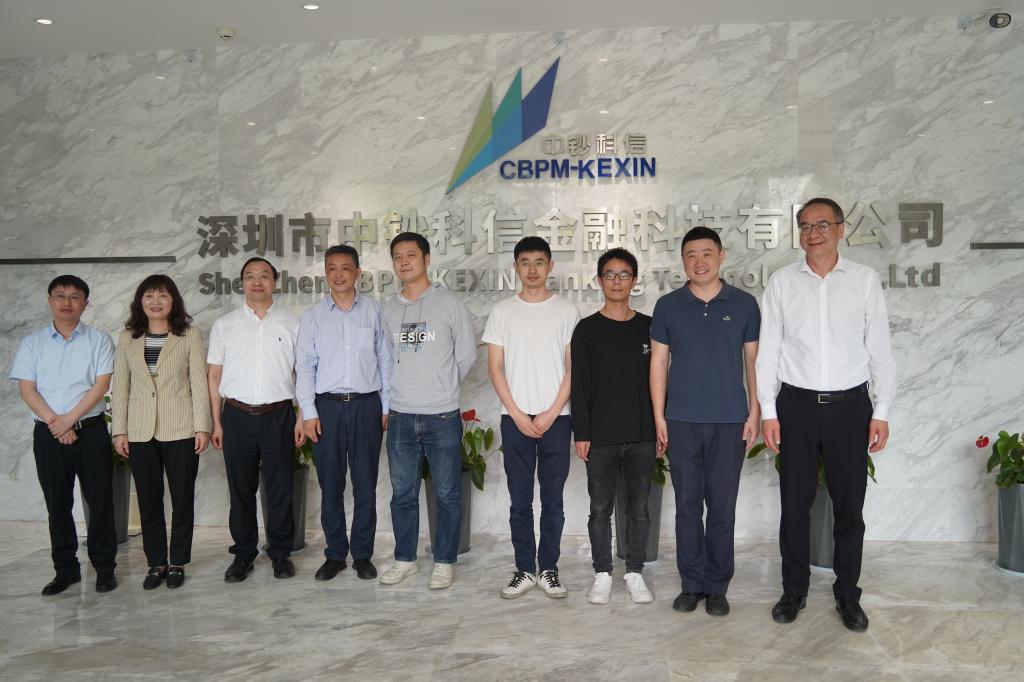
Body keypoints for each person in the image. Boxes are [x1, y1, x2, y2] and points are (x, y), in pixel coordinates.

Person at [756, 197, 895, 632]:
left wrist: (882, 410)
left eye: (821, 225)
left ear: (840, 229)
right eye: (804, 226)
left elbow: (880, 349)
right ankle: (793, 590)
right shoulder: (782, 282)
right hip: (795, 406)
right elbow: (769, 350)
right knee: (794, 506)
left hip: (850, 408)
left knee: (850, 508)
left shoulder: (863, 280)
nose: (812, 233)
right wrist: (768, 411)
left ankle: (848, 594)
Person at [650, 226, 761, 617]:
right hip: (681, 420)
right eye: (691, 255)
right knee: (686, 508)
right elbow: (658, 363)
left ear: (721, 256)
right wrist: (659, 415)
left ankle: (717, 586)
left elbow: (753, 362)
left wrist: (755, 410)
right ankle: (691, 583)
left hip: (730, 420)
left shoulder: (744, 304)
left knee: (722, 509)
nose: (699, 262)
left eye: (707, 253)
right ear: (683, 261)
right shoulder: (668, 306)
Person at [484, 236, 580, 599]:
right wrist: (518, 414)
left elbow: (573, 368)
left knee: (553, 500)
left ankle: (549, 569)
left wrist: (552, 412)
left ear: (550, 266)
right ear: (515, 267)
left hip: (558, 418)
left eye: (540, 262)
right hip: (515, 419)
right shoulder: (502, 312)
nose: (533, 269)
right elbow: (495, 369)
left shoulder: (567, 310)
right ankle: (524, 569)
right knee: (520, 500)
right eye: (525, 262)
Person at [379, 232, 476, 590]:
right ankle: (405, 559)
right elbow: (386, 360)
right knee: (402, 493)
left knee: (447, 493)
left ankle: (444, 560)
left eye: (411, 255)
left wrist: (442, 386)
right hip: (401, 415)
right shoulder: (388, 310)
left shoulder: (449, 304)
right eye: (397, 256)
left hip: (442, 415)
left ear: (427, 259)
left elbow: (467, 355)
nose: (404, 262)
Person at [10, 275, 118, 595]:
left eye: (74, 297)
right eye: (60, 296)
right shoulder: (32, 343)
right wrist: (56, 424)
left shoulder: (99, 340)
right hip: (48, 435)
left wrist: (69, 420)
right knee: (57, 505)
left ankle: (104, 569)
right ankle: (65, 570)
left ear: (85, 303)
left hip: (91, 431)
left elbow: (101, 385)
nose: (67, 302)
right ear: (49, 301)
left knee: (100, 503)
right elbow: (27, 390)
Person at [296, 245, 393, 582]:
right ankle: (335, 554)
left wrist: (386, 406)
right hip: (327, 409)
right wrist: (309, 412)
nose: (338, 275)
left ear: (358, 273)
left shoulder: (374, 312)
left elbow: (386, 361)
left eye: (345, 268)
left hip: (367, 406)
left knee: (366, 484)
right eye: (332, 269)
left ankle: (363, 555)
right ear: (326, 273)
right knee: (331, 485)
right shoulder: (313, 316)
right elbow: (305, 366)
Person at [110, 274, 211, 590]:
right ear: (140, 301)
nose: (156, 302)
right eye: (149, 295)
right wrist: (119, 430)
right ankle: (156, 562)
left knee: (182, 499)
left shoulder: (189, 335)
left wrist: (202, 426)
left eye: (163, 295)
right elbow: (120, 386)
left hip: (181, 428)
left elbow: (199, 383)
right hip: (140, 431)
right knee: (149, 500)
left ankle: (178, 561)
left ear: (173, 301)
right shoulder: (128, 338)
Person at [209, 257, 305, 583]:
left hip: (279, 415)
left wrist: (301, 416)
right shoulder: (225, 325)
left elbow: (301, 374)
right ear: (242, 283)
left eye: (264, 276)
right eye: (250, 276)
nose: (257, 282)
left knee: (280, 488)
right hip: (236, 416)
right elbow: (214, 375)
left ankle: (280, 554)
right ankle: (243, 554)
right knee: (241, 489)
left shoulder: (292, 324)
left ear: (274, 282)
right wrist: (217, 422)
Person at [571, 248, 657, 605]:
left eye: (624, 274)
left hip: (642, 434)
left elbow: (662, 381)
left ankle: (635, 572)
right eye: (609, 274)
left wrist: (660, 428)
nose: (617, 281)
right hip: (601, 437)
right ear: (599, 280)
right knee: (600, 510)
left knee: (639, 509)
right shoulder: (587, 330)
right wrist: (582, 433)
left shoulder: (650, 327)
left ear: (634, 280)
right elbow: (580, 385)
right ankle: (602, 573)